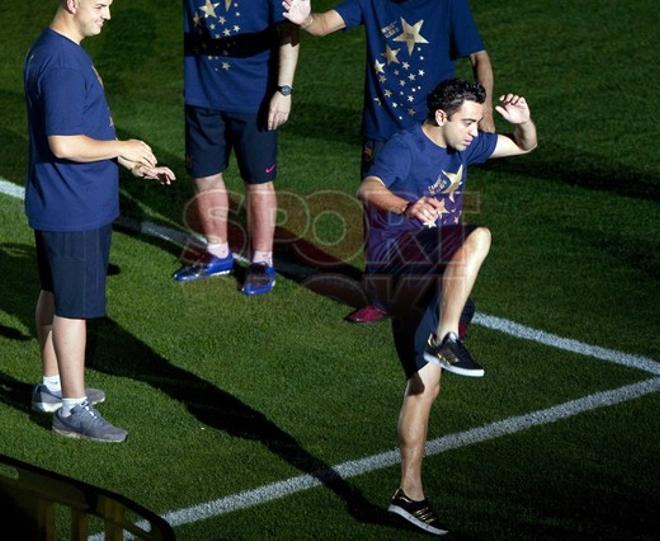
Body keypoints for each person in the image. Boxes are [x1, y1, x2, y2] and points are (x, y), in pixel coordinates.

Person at [357, 78, 537, 534]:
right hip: (401, 262)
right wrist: (408, 206)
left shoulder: (467, 145)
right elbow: (368, 188)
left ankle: (408, 494)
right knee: (479, 236)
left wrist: (525, 123)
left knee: (424, 387)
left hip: (436, 271)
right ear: (441, 118)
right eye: (469, 122)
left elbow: (525, 146)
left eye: (478, 122)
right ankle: (447, 337)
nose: (476, 130)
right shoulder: (406, 146)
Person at [283, 0, 494, 322]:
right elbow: (323, 24)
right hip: (382, 133)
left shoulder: (448, 4)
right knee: (379, 222)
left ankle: (454, 308)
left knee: (443, 219)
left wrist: (486, 110)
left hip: (435, 135)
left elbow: (479, 57)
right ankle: (380, 299)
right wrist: (305, 18)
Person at [25, 0, 175, 442]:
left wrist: (130, 161)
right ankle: (72, 408)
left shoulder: (50, 48)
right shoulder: (63, 63)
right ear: (73, 2)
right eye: (100, 4)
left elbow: (84, 126)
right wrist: (121, 146)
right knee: (74, 309)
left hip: (58, 202)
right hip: (75, 207)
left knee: (53, 293)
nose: (107, 14)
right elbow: (64, 143)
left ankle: (52, 388)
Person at [173, 0, 300, 296]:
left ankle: (262, 261)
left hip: (254, 98)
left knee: (258, 182)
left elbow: (289, 32)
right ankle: (218, 253)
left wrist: (284, 90)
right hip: (202, 96)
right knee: (204, 175)